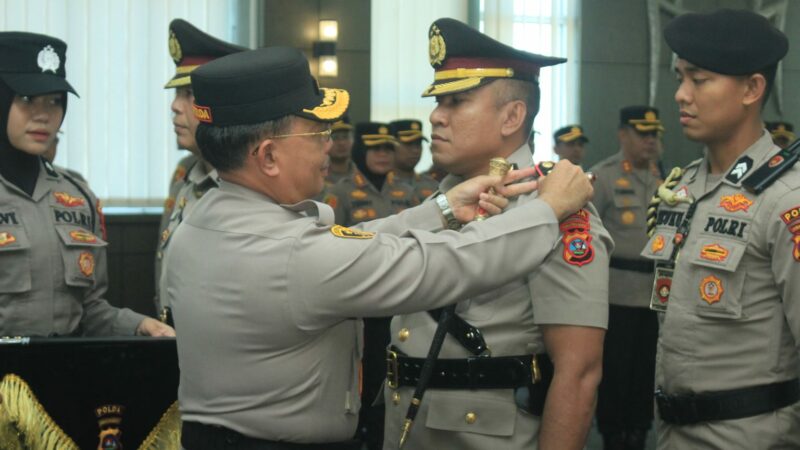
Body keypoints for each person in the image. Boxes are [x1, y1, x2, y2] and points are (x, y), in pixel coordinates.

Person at [163, 45, 593, 449]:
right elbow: (452, 262)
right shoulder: (294, 253)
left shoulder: (202, 222)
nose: (330, 145)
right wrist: (549, 208)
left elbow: (348, 247)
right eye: (317, 133)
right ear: (269, 156)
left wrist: (442, 208)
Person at [382, 18, 612, 450]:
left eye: (456, 101)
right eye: (437, 101)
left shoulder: (559, 210)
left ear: (512, 116)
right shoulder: (444, 200)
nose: (435, 116)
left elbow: (578, 373)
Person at [642, 9, 800, 449]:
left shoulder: (787, 198)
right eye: (679, 78)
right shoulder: (683, 186)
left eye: (700, 79)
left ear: (752, 88)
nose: (681, 95)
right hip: (672, 433)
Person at [0, 31, 172, 337]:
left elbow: (90, 311)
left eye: (54, 101)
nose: (43, 115)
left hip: (67, 373)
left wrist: (138, 325)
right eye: (27, 99)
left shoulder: (77, 197)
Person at [155, 19, 246, 316]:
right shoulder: (187, 175)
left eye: (189, 95)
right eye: (177, 94)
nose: (175, 106)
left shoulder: (251, 186)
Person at [590, 106, 665, 450]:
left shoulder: (665, 178)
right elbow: (586, 241)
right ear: (623, 135)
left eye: (655, 134)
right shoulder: (602, 177)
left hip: (654, 294)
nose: (650, 141)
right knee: (615, 373)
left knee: (645, 373)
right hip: (615, 295)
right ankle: (613, 435)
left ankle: (638, 431)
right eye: (642, 134)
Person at [324, 122, 417, 226]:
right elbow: (328, 237)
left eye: (388, 149)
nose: (383, 154)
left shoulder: (407, 192)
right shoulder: (340, 192)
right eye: (376, 148)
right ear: (361, 152)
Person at [389, 119, 439, 200]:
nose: (415, 150)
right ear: (391, 146)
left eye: (418, 144)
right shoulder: (380, 187)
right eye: (408, 144)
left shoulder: (432, 185)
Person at [326, 115, 356, 185]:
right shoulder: (317, 177)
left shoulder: (363, 176)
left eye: (346, 137)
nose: (341, 143)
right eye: (335, 137)